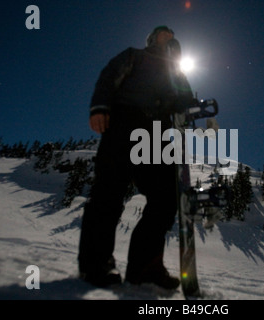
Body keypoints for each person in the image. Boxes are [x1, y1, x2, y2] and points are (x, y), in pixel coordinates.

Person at [78, 26, 194, 289]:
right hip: (125, 121)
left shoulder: (177, 72)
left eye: (172, 35)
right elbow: (110, 76)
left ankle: (145, 268)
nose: (169, 37)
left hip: (157, 133)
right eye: (163, 34)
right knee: (109, 192)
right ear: (152, 39)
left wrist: (199, 111)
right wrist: (100, 106)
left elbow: (186, 100)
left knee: (165, 199)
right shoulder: (135, 56)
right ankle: (96, 265)